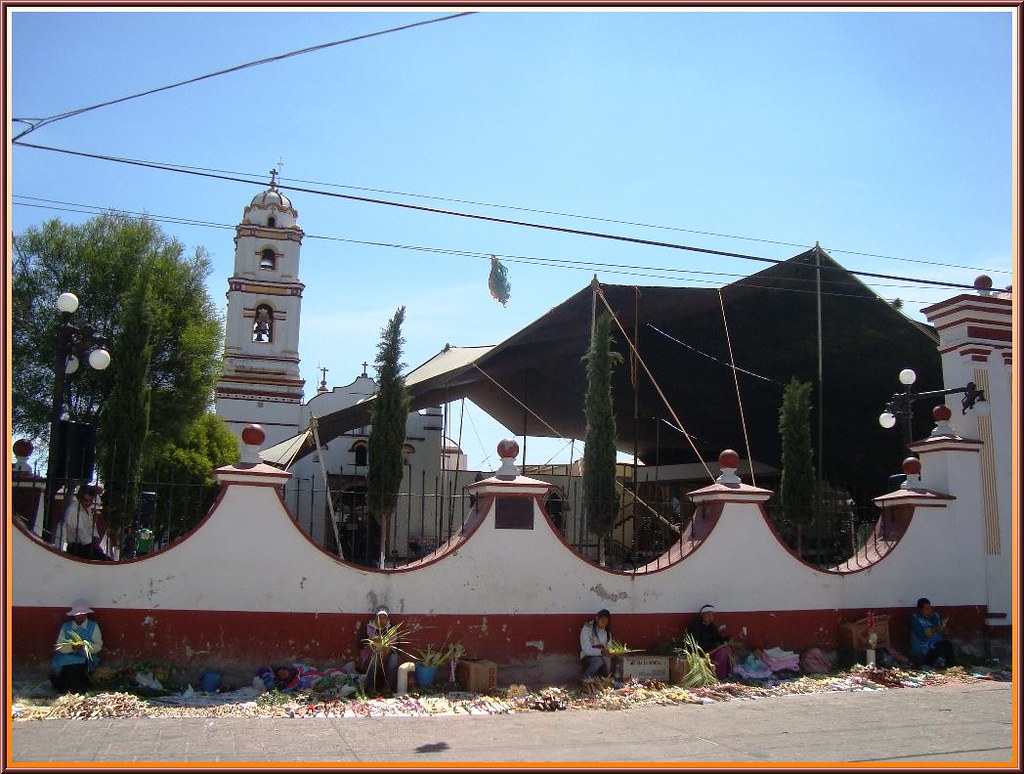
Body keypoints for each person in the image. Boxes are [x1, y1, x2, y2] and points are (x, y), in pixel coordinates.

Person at [50, 600, 103, 693]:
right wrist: (72, 647)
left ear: (86, 614)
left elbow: (98, 646)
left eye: (83, 614)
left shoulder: (93, 626)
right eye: (78, 614)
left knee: (78, 670)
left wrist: (84, 646)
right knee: (66, 670)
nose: (80, 617)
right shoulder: (66, 626)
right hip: (66, 658)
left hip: (86, 658)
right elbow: (59, 645)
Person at [61, 484, 110, 561]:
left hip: (88, 546)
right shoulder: (73, 511)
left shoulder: (89, 509)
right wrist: (95, 547)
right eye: (86, 500)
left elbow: (92, 528)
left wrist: (96, 540)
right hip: (77, 548)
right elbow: (81, 533)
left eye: (90, 501)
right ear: (79, 498)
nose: (88, 503)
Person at [688, 603, 735, 680]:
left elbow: (717, 638)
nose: (711, 617)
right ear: (703, 615)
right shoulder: (696, 626)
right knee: (722, 651)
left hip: (711, 649)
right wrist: (712, 646)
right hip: (700, 651)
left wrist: (727, 639)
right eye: (708, 615)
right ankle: (715, 674)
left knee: (727, 650)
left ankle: (724, 674)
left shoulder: (711, 626)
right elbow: (695, 643)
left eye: (712, 615)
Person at [360, 606, 401, 693]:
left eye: (384, 618)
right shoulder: (368, 628)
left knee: (394, 658)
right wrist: (372, 642)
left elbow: (398, 647)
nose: (381, 620)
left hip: (386, 657)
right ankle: (371, 688)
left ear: (387, 619)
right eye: (379, 617)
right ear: (375, 617)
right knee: (374, 657)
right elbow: (360, 644)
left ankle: (387, 688)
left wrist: (387, 649)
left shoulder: (391, 629)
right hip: (371, 657)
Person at [909, 597, 956, 669]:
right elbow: (921, 636)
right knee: (938, 648)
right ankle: (927, 664)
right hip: (923, 648)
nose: (929, 611)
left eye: (930, 608)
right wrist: (935, 629)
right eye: (926, 609)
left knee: (947, 644)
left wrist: (943, 629)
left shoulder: (936, 616)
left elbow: (944, 632)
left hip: (936, 644)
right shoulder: (915, 619)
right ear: (920, 610)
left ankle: (951, 666)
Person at [579, 608, 613, 679]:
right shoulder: (587, 629)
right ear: (597, 618)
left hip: (603, 657)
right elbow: (586, 650)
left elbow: (609, 646)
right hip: (587, 657)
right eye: (602, 622)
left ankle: (605, 679)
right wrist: (601, 652)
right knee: (598, 660)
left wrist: (609, 651)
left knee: (607, 660)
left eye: (606, 623)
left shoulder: (607, 632)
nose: (604, 625)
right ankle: (584, 678)